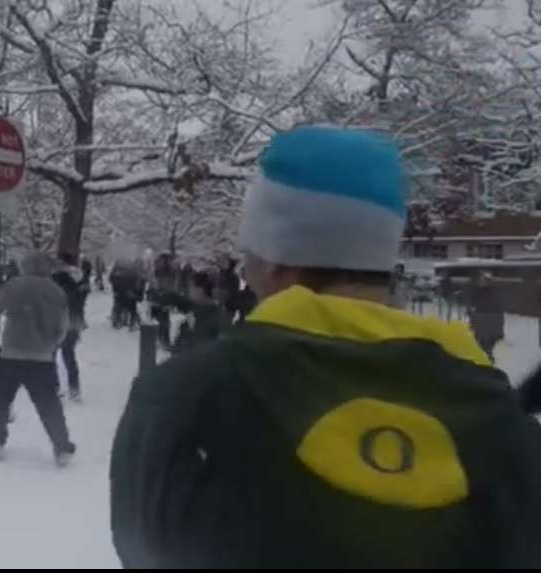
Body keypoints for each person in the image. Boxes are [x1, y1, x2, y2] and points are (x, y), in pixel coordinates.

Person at [110, 126, 541, 568]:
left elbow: (144, 550)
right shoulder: (503, 422)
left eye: (249, 251)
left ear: (276, 257)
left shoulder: (184, 397)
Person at [0, 251, 76, 467]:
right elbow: (63, 325)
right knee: (49, 404)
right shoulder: (56, 291)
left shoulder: (14, 286)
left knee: (0, 400)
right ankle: (62, 447)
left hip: (12, 353)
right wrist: (52, 345)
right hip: (42, 357)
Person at [52, 253, 88, 402]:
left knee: (51, 354)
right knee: (69, 355)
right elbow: (81, 298)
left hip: (57, 320)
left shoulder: (57, 277)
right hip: (74, 320)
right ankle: (74, 388)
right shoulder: (81, 277)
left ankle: (54, 386)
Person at [169, 270, 226, 354]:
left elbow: (199, 345)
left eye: (191, 287)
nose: (189, 290)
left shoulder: (212, 317)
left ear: (200, 289)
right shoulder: (196, 308)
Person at [469, 272, 505, 362]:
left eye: (483, 280)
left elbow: (498, 310)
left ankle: (487, 360)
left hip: (489, 324)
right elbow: (474, 306)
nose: (480, 282)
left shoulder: (493, 293)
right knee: (479, 345)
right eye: (480, 280)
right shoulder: (478, 291)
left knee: (486, 346)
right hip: (480, 323)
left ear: (488, 281)